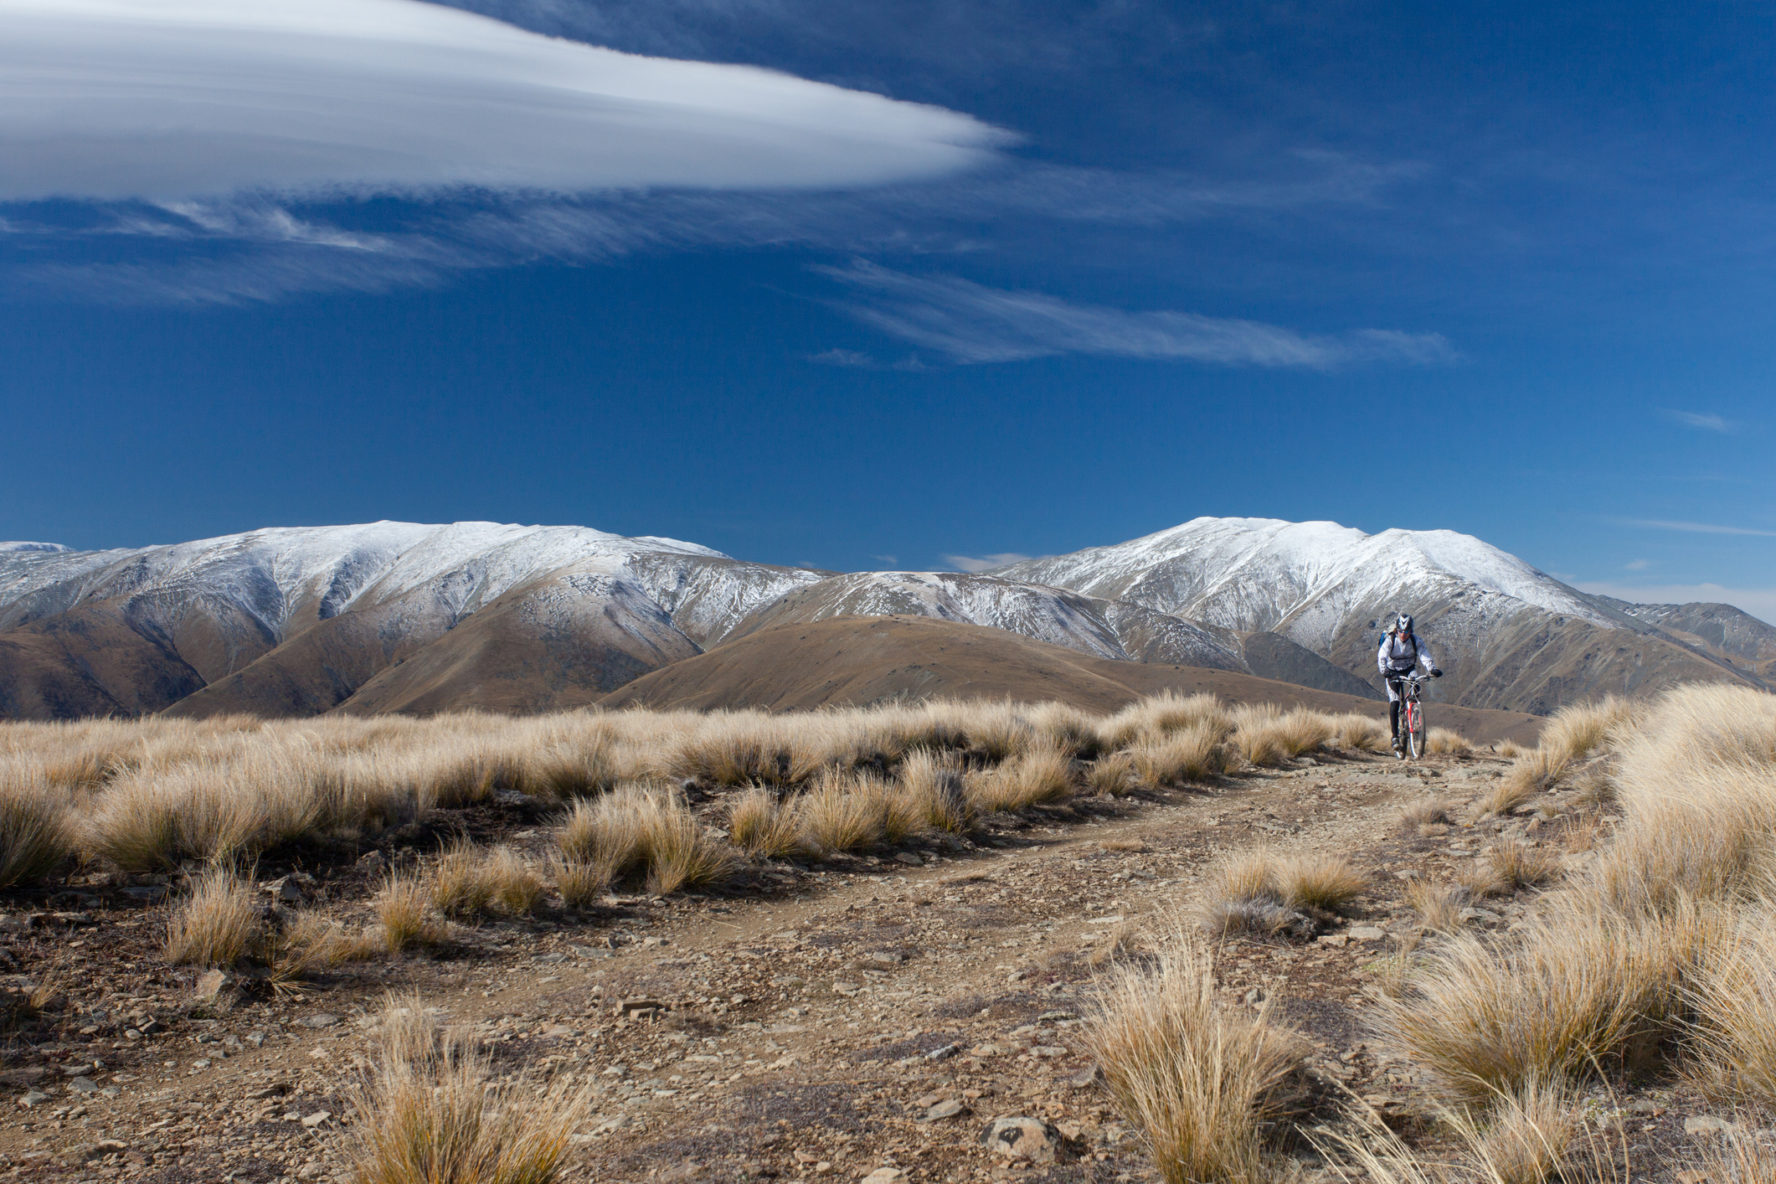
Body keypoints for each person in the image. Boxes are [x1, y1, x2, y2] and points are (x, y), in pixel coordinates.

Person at [1377, 612, 1442, 756]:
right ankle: (1395, 737)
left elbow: (1424, 654)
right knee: (1394, 702)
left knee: (1416, 687)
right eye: (1400, 631)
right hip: (1393, 671)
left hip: (1409, 669)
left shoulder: (1415, 641)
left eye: (1406, 631)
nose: (1403, 634)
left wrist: (1432, 669)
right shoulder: (1390, 641)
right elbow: (1382, 656)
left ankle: (1413, 713)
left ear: (1411, 631)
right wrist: (1385, 671)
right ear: (1397, 630)